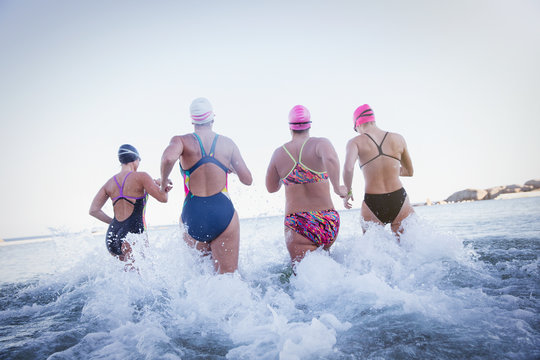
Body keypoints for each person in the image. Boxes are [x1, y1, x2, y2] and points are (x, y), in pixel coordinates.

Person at [160, 98, 252, 274]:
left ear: (192, 120)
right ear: (212, 118)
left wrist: (163, 182)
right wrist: (228, 166)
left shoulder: (181, 141)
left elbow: (167, 158)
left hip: (193, 212)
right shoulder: (227, 143)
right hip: (222, 211)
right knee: (228, 279)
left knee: (200, 280)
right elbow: (247, 179)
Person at [266, 105, 347, 264]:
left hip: (299, 224)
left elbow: (271, 188)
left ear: (290, 128)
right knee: (327, 270)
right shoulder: (320, 144)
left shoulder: (279, 153)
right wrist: (338, 188)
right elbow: (330, 159)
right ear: (309, 124)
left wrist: (289, 177)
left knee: (305, 279)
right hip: (327, 220)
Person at [89, 144, 172, 267]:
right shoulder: (141, 176)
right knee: (141, 278)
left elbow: (94, 210)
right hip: (133, 235)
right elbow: (163, 198)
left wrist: (114, 222)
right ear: (135, 159)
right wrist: (163, 185)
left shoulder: (110, 183)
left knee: (125, 280)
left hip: (112, 235)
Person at [342, 104, 414, 236]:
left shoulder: (355, 142)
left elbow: (348, 168)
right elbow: (409, 172)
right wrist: (389, 170)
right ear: (373, 120)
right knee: (408, 248)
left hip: (372, 201)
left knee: (372, 253)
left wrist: (348, 191)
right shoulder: (398, 138)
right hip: (399, 198)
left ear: (357, 124)